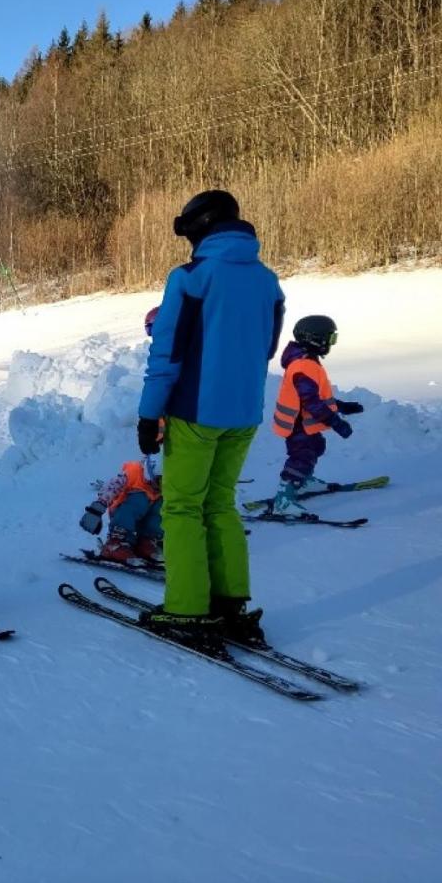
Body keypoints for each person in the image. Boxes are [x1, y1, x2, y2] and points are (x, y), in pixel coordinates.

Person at [136, 190, 285, 649]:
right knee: (219, 504)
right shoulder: (268, 281)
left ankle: (186, 607)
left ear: (200, 227)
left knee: (181, 508)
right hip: (244, 413)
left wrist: (148, 413)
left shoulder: (191, 278)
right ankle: (230, 601)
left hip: (194, 412)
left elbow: (168, 353)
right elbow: (267, 349)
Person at [270, 315, 365, 514]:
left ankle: (303, 483)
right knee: (302, 456)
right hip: (297, 424)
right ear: (315, 339)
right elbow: (310, 401)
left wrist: (341, 406)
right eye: (330, 339)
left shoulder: (307, 361)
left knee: (316, 447)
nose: (331, 344)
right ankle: (283, 500)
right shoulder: (303, 366)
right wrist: (336, 422)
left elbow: (317, 396)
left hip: (304, 422)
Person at [81, 454, 163, 564]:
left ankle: (146, 542)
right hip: (123, 511)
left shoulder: (161, 487)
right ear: (150, 473)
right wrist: (97, 508)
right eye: (160, 480)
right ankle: (116, 543)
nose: (162, 485)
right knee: (140, 499)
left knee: (161, 505)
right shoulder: (134, 473)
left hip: (143, 515)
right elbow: (112, 486)